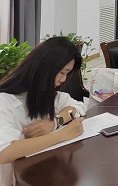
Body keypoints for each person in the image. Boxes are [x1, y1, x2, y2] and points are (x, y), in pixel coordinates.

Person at [0, 37, 87, 185]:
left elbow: (78, 107)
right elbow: (4, 152)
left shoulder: (46, 94)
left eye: (67, 73)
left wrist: (55, 122)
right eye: (62, 72)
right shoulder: (4, 100)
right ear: (44, 68)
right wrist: (62, 134)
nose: (63, 79)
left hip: (34, 172)